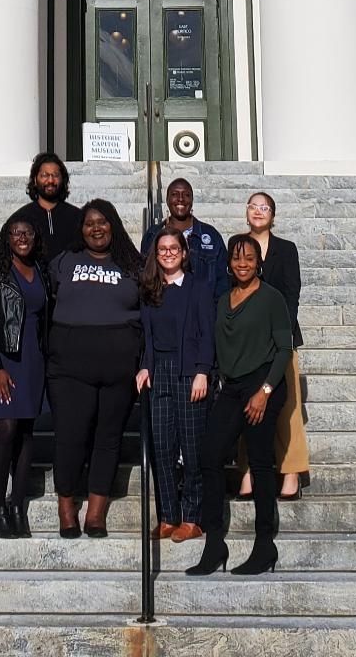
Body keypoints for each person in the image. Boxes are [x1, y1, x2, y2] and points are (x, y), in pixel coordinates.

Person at [187, 232, 293, 578]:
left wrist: (263, 391)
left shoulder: (271, 298)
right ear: (229, 263)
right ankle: (215, 542)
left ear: (258, 262)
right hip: (232, 388)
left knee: (261, 462)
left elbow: (283, 349)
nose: (242, 263)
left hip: (264, 383)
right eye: (236, 258)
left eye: (249, 257)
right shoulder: (223, 300)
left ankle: (265, 545)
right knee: (209, 456)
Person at [45, 197, 145, 539]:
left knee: (108, 438)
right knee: (71, 437)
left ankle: (97, 511)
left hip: (118, 368)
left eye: (103, 222)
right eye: (90, 223)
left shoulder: (133, 264)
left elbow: (150, 313)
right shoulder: (64, 261)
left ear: (114, 225)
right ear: (81, 229)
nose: (97, 228)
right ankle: (67, 507)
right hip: (69, 367)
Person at [0, 215, 51, 539]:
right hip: (3, 357)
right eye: (16, 232)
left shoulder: (41, 269)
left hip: (33, 356)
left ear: (34, 236)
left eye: (27, 232)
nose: (22, 237)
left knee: (27, 431)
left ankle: (18, 504)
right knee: (6, 429)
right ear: (7, 237)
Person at [137, 229, 213, 542]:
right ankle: (169, 516)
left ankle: (192, 518)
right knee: (162, 447)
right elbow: (148, 337)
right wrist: (144, 365)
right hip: (161, 373)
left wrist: (203, 371)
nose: (168, 253)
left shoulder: (198, 287)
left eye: (174, 248)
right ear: (156, 255)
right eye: (162, 249)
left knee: (192, 448)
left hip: (189, 372)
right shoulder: (150, 291)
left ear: (184, 253)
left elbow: (208, 332)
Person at [236, 189, 308, 501]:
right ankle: (248, 472)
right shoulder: (239, 247)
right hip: (246, 343)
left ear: (273, 216)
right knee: (247, 405)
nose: (258, 211)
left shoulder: (286, 249)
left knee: (287, 408)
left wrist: (281, 333)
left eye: (264, 207)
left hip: (280, 341)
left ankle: (291, 473)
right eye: (253, 206)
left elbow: (292, 294)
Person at [137, 176, 230, 301]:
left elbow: (223, 280)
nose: (180, 199)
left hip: (201, 312)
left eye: (186, 195)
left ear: (192, 200)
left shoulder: (211, 236)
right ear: (167, 199)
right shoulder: (152, 235)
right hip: (162, 308)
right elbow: (144, 274)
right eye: (175, 194)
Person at [10, 151, 83, 253]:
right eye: (44, 175)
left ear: (63, 179)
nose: (50, 181)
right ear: (35, 180)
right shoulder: (21, 217)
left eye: (55, 175)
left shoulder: (77, 217)